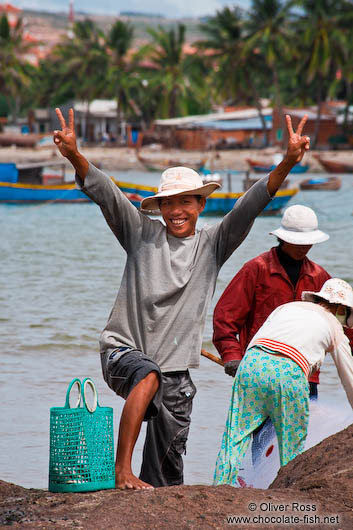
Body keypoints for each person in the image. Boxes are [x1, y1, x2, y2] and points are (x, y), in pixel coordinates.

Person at [53, 107, 310, 490]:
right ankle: (121, 472)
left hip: (177, 375)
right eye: (169, 203)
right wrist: (74, 155)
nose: (176, 211)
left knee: (166, 479)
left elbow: (250, 206)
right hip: (124, 352)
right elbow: (108, 194)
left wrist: (287, 162)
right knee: (148, 374)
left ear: (200, 205)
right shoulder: (140, 232)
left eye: (185, 202)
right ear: (159, 208)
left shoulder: (212, 244)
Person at [213, 278, 353, 486]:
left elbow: (260, 337)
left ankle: (221, 485)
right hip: (289, 373)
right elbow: (348, 376)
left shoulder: (287, 307)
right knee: (291, 444)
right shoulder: (334, 326)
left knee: (236, 435)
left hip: (251, 364)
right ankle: (285, 495)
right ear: (342, 309)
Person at [213, 204, 330, 399]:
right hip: (259, 373)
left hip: (305, 374)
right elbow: (225, 319)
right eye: (298, 242)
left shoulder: (319, 276)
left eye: (308, 242)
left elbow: (342, 325)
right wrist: (232, 356)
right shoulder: (256, 269)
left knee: (303, 430)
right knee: (259, 430)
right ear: (282, 238)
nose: (304, 247)